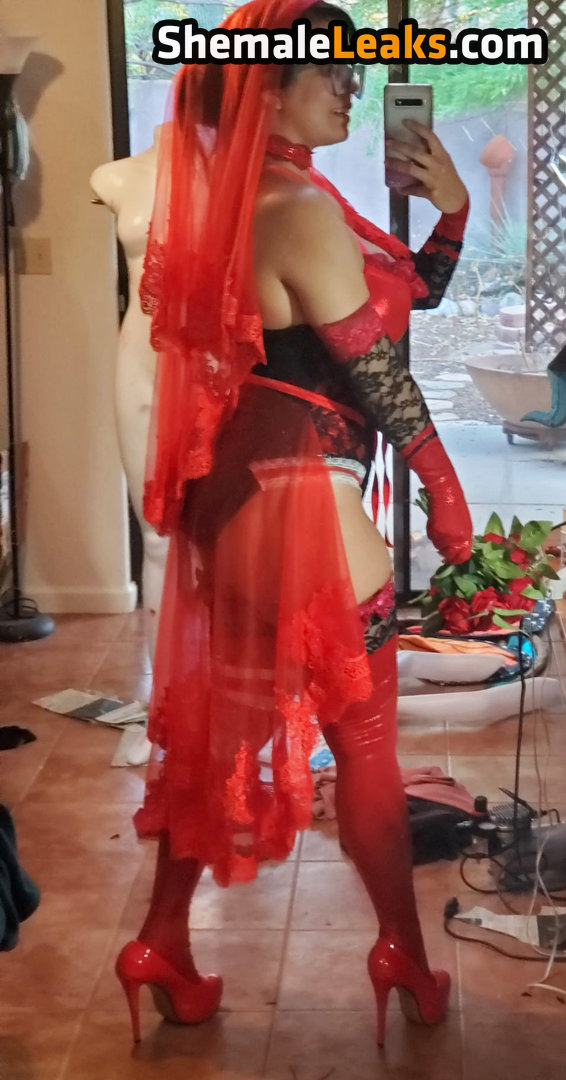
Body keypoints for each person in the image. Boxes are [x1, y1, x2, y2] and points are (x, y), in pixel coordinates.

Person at [115, 0, 473, 1050]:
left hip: (235, 507)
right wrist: (446, 495)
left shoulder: (260, 198)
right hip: (306, 498)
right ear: (264, 88)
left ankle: (160, 942)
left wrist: (450, 210)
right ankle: (401, 954)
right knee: (365, 744)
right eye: (330, 71)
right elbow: (381, 378)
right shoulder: (300, 207)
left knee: (219, 736)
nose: (352, 86)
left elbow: (404, 302)